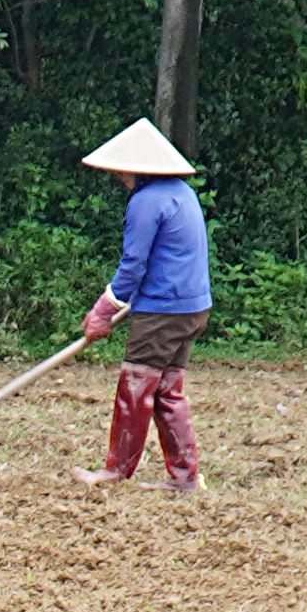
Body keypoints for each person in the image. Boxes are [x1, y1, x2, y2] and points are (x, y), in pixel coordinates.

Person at [75, 117, 209, 495]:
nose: (119, 176)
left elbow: (134, 264)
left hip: (162, 311)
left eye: (122, 170)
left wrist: (104, 308)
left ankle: (116, 471)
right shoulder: (182, 193)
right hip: (192, 307)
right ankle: (184, 478)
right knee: (168, 389)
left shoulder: (146, 202)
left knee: (136, 385)